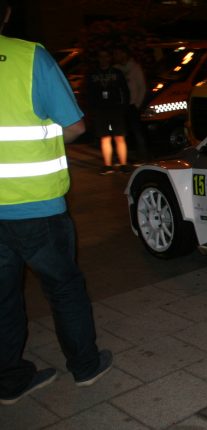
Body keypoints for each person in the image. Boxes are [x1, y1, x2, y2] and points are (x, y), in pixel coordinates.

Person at [0, 0, 112, 405]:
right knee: (64, 287)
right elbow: (75, 126)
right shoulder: (29, 57)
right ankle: (85, 366)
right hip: (37, 206)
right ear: (6, 13)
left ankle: (10, 381)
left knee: (2, 297)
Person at [86, 48, 131, 174]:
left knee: (119, 137)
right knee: (104, 138)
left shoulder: (117, 73)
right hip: (100, 110)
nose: (104, 59)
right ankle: (107, 165)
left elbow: (125, 91)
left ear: (110, 58)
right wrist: (92, 108)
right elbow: (89, 92)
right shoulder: (92, 74)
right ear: (98, 58)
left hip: (116, 109)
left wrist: (124, 107)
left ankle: (123, 164)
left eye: (106, 56)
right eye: (101, 56)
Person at [113, 44, 149, 162]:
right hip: (120, 105)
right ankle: (123, 155)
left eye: (118, 53)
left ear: (124, 54)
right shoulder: (116, 69)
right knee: (121, 132)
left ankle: (142, 155)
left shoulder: (135, 68)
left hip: (132, 105)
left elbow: (142, 87)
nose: (116, 56)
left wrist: (137, 104)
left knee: (137, 131)